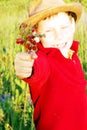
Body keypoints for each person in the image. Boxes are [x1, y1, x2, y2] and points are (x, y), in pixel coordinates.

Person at [14, 0, 87, 130]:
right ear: (36, 35)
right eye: (49, 30)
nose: (59, 36)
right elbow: (38, 68)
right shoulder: (43, 59)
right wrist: (27, 66)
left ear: (72, 25)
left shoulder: (73, 55)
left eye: (63, 27)